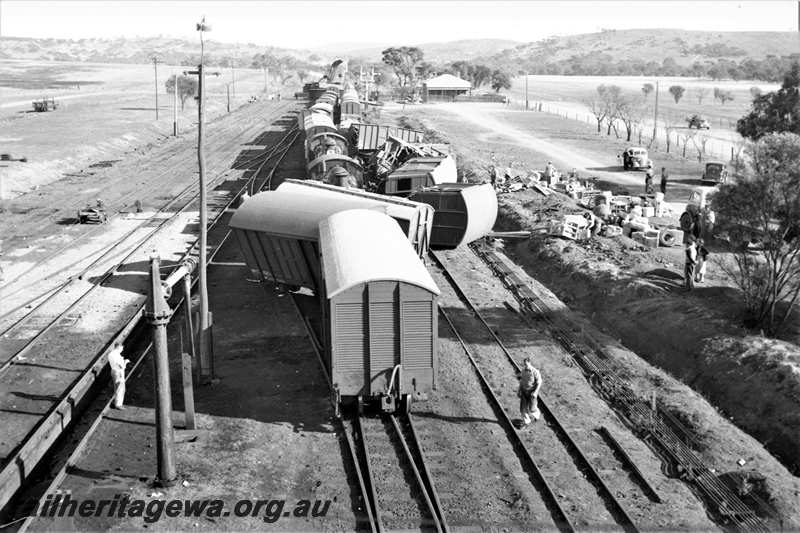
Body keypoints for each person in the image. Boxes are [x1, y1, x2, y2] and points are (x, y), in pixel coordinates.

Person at [517, 358, 542, 425]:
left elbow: (539, 382)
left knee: (532, 409)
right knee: (522, 409)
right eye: (524, 364)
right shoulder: (523, 371)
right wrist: (519, 390)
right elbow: (521, 381)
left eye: (526, 364)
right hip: (524, 391)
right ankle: (527, 421)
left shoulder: (535, 371)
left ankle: (537, 416)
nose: (525, 366)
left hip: (531, 393)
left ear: (529, 363)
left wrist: (535, 392)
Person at [107, 342, 130, 409]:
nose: (122, 350)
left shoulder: (111, 354)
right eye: (122, 348)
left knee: (117, 388)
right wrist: (125, 362)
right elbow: (121, 366)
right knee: (121, 388)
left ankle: (116, 402)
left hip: (113, 370)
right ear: (119, 347)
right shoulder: (116, 355)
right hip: (118, 372)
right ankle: (118, 404)